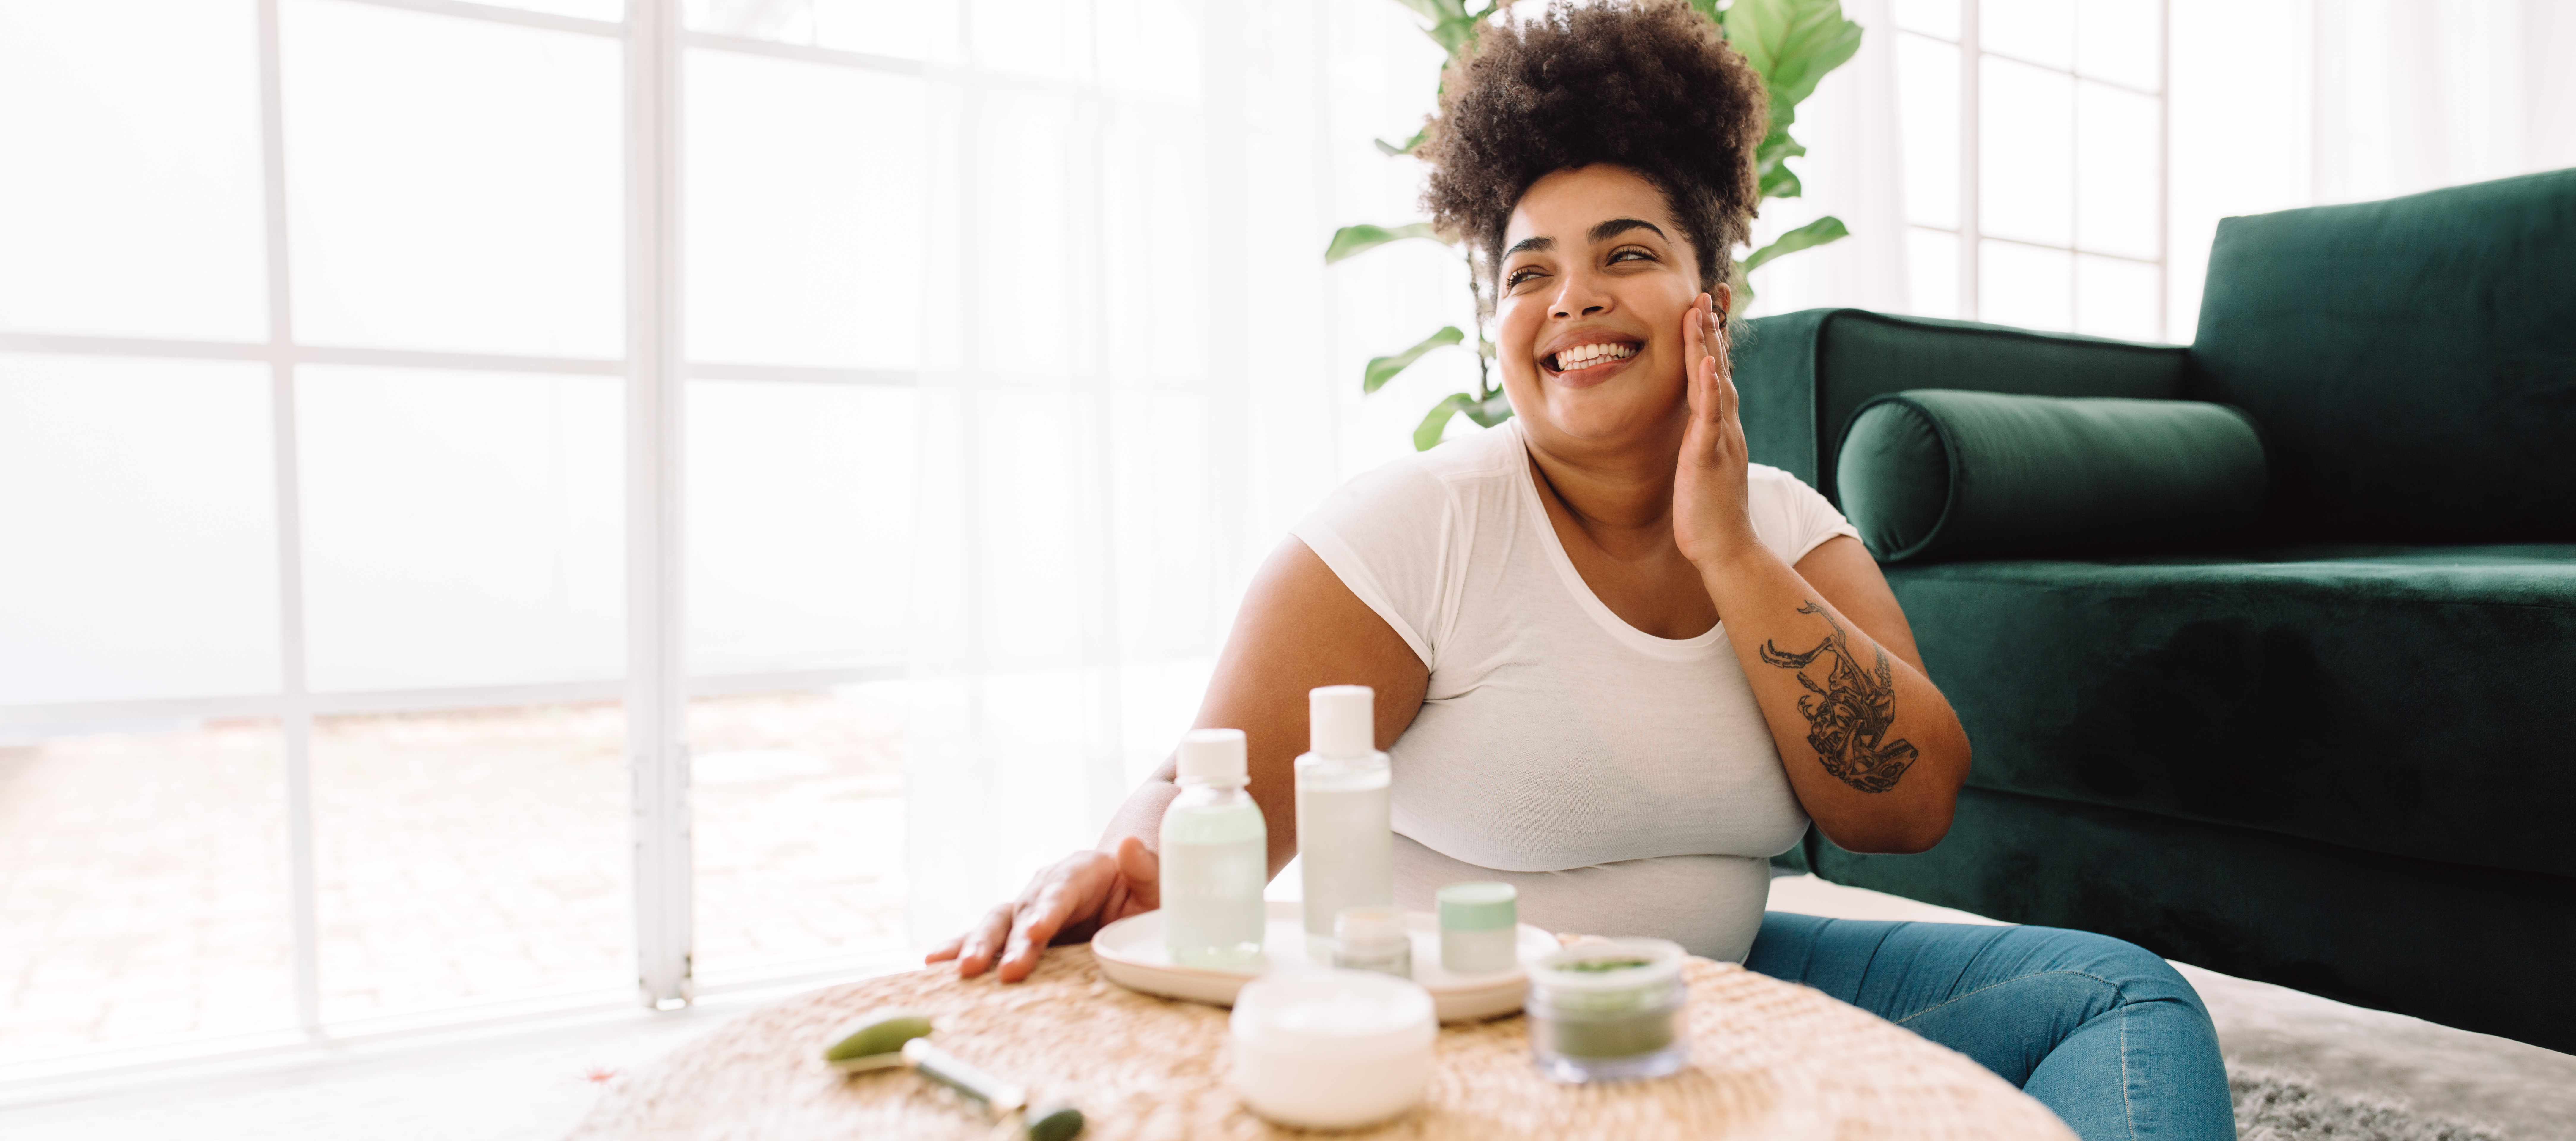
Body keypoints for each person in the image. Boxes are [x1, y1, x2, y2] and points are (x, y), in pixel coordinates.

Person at [928, 2, 2232, 1136]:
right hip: (1459, 1027)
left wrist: (1724, 548)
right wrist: (1123, 860)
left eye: (1626, 253)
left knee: (2119, 1002)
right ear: (1497, 326)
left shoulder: (1790, 532)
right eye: (1527, 273)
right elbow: (1210, 791)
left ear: (1707, 298)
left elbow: (1904, 806)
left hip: (1715, 994)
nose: (1572, 298)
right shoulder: (1414, 529)